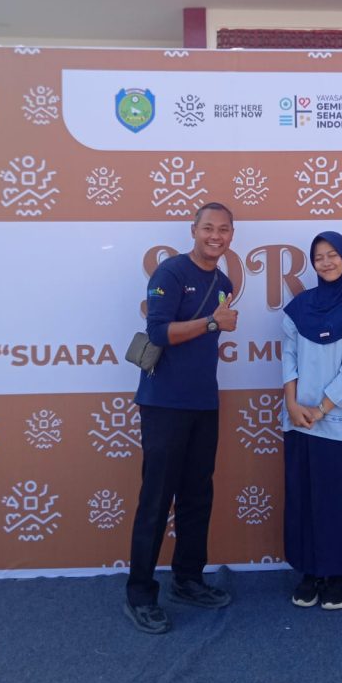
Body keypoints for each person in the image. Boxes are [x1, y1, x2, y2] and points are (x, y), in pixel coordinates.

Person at [124, 202, 238, 634]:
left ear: (231, 236)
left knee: (197, 496)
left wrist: (215, 323)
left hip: (203, 404)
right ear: (193, 230)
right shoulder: (170, 273)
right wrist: (212, 322)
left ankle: (188, 579)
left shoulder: (224, 282)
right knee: (156, 500)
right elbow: (158, 332)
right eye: (208, 228)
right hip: (164, 405)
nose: (215, 236)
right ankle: (140, 593)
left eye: (223, 229)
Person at [281, 231, 342, 610]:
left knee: (337, 498)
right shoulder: (298, 308)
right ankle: (310, 570)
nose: (326, 262)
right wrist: (292, 404)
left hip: (339, 420)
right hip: (299, 418)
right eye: (319, 257)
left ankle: (338, 575)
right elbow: (289, 358)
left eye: (332, 254)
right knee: (304, 496)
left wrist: (321, 409)